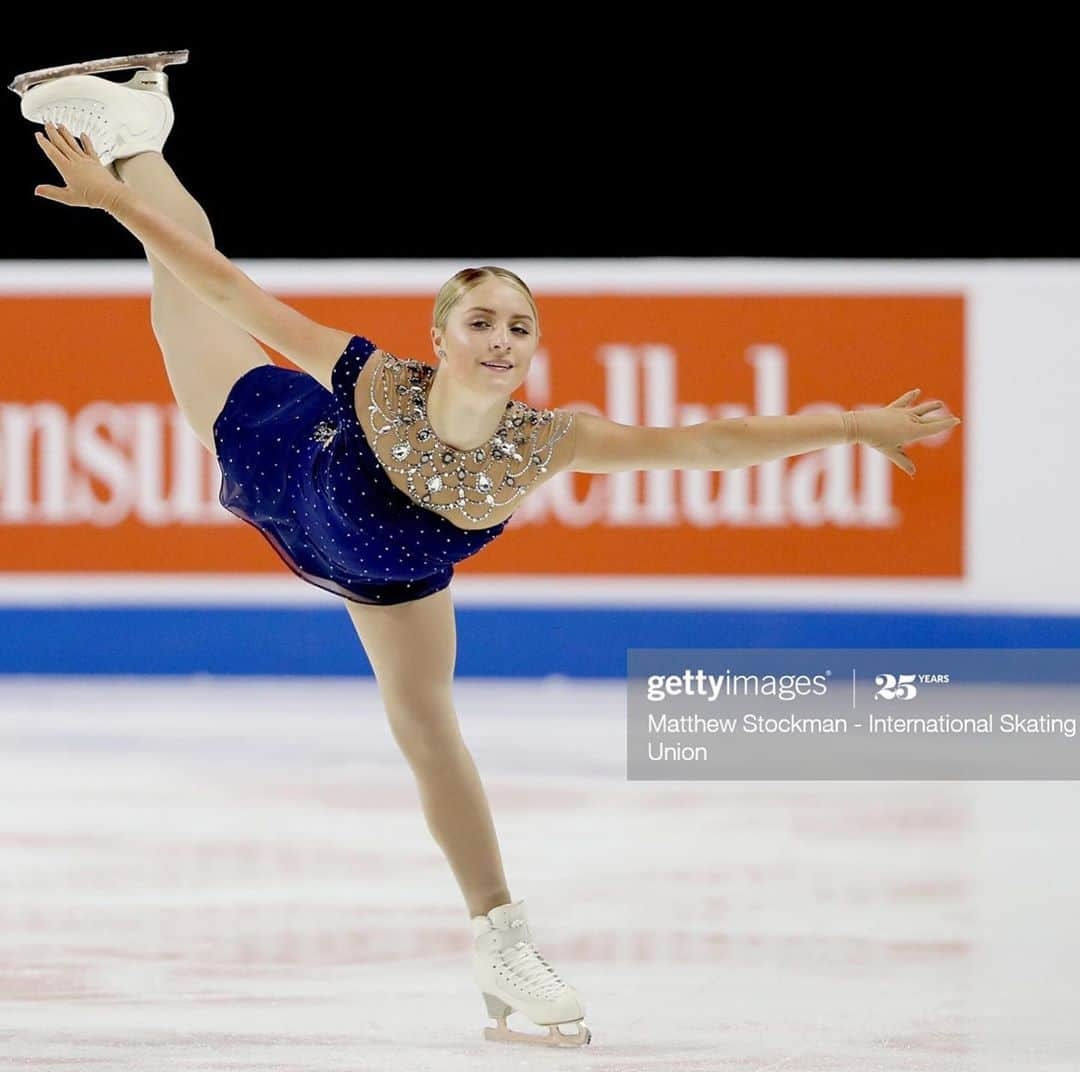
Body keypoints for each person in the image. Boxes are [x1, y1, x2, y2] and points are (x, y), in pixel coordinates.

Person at [16, 58, 961, 1050]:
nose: (502, 336)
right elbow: (232, 287)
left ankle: (499, 934)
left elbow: (711, 442)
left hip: (394, 578)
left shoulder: (552, 442)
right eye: (482, 320)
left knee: (427, 728)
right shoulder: (374, 380)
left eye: (520, 325)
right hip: (275, 449)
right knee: (185, 289)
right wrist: (114, 205)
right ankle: (144, 134)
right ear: (443, 334)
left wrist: (855, 423)